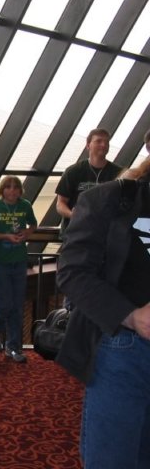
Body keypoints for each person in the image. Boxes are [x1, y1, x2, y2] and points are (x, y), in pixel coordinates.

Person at [56, 156, 150, 469]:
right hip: (125, 349)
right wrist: (131, 316)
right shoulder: (111, 198)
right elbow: (72, 272)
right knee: (114, 458)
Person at [0, 176, 38, 362]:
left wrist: (27, 232)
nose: (12, 191)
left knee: (17, 305)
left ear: (21, 190)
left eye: (16, 187)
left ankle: (13, 346)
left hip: (19, 260)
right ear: (2, 190)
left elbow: (33, 224)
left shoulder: (25, 205)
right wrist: (5, 237)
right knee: (5, 302)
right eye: (8, 187)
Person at [55, 127, 122, 236]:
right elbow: (60, 203)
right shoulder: (73, 171)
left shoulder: (118, 173)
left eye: (106, 142)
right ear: (88, 145)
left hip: (106, 234)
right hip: (76, 234)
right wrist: (73, 215)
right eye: (98, 141)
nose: (103, 145)